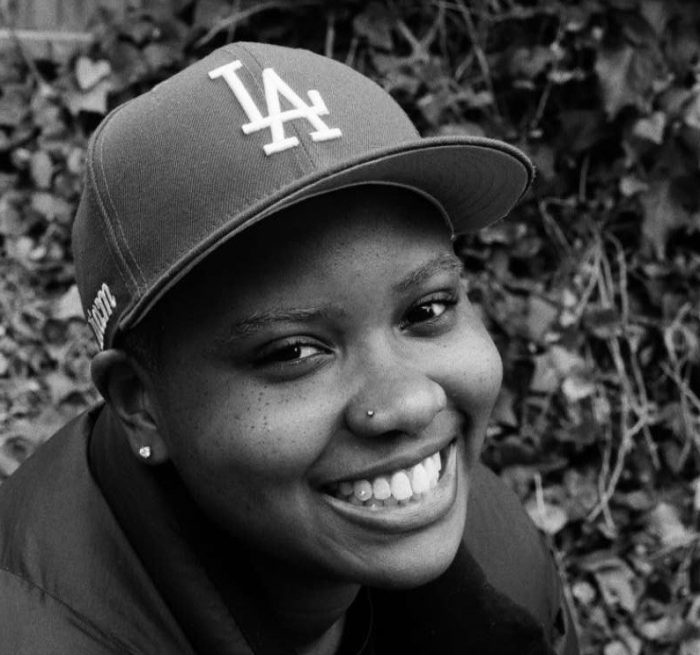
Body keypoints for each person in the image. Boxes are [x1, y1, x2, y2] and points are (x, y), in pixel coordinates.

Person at [0, 42, 579, 654]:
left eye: (427, 311)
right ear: (140, 400)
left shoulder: (496, 557)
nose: (409, 405)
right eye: (295, 352)